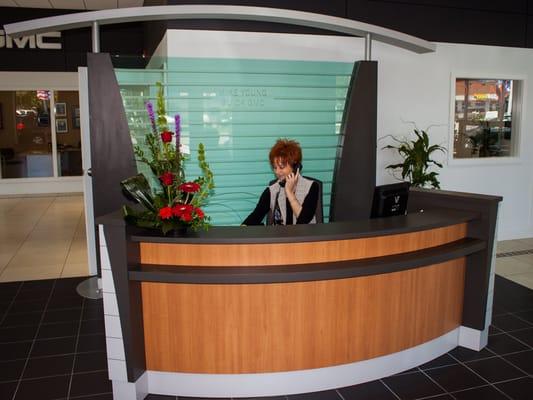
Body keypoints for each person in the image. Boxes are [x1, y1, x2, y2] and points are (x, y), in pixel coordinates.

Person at [242, 139, 319, 225]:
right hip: (280, 238)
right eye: (275, 167)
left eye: (281, 167)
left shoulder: (312, 187)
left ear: (295, 167)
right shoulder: (272, 191)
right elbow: (255, 216)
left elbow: (304, 220)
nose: (277, 172)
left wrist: (289, 193)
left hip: (304, 237)